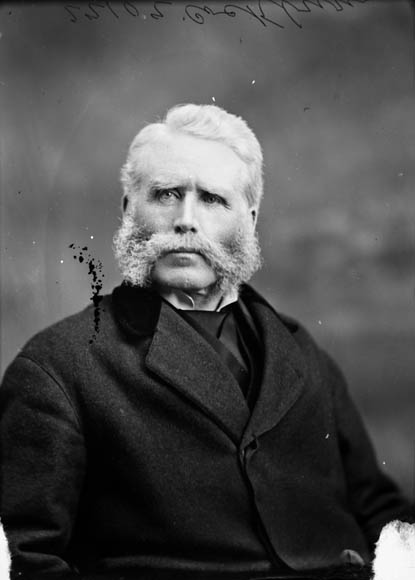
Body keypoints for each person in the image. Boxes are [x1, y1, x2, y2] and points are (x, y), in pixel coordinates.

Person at [0, 104, 412, 579]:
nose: (186, 220)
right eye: (166, 194)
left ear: (250, 221)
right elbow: (23, 557)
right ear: (128, 210)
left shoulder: (302, 352)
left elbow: (382, 515)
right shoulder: (58, 367)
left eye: (213, 199)